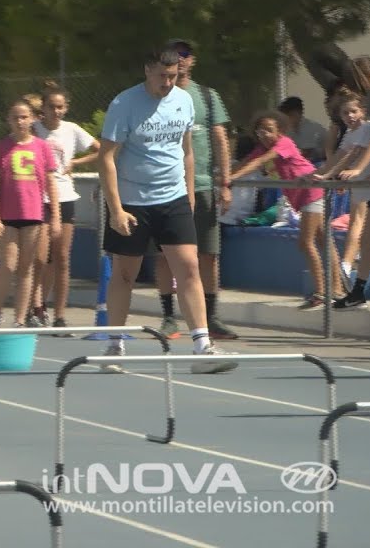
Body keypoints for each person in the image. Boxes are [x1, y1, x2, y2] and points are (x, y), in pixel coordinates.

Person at [97, 51, 237, 374]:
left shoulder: (184, 100)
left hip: (172, 199)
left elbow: (186, 150)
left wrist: (188, 196)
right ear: (148, 70)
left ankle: (202, 346)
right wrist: (116, 209)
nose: (167, 82)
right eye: (162, 76)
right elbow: (106, 158)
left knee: (189, 268)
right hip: (133, 201)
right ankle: (114, 345)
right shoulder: (124, 104)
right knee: (124, 273)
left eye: (173, 76)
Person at [153, 40, 236, 341]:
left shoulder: (207, 97)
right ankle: (167, 317)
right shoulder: (157, 94)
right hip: (165, 188)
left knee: (208, 254)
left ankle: (211, 318)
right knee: (165, 255)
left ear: (193, 60)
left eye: (185, 55)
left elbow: (220, 138)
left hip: (202, 187)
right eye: (175, 56)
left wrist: (224, 183)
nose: (181, 60)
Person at [231, 114, 341, 309]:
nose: (264, 135)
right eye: (260, 131)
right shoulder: (261, 148)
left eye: (268, 130)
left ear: (279, 131)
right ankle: (337, 288)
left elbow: (261, 161)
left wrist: (231, 179)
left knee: (305, 242)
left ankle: (322, 291)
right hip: (302, 196)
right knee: (323, 240)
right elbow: (248, 161)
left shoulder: (284, 143)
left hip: (311, 191)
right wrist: (229, 175)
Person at [318, 89, 370, 308]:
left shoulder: (366, 129)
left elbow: (352, 154)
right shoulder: (356, 132)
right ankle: (361, 292)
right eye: (345, 113)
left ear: (363, 112)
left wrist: (333, 174)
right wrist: (320, 174)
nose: (350, 116)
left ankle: (369, 289)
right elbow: (341, 153)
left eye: (353, 111)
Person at [31, 82, 98, 329]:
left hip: (65, 196)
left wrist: (76, 163)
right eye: (52, 107)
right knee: (39, 258)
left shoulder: (72, 129)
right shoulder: (34, 129)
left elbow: (100, 150)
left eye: (60, 107)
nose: (56, 111)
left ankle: (59, 315)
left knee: (61, 258)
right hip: (38, 199)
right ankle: (36, 307)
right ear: (44, 108)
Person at [0, 100, 60, 327]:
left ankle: (20, 318)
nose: (20, 122)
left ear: (32, 119)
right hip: (7, 216)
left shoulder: (42, 147)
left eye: (24, 117)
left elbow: (49, 183)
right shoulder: (1, 147)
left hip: (33, 215)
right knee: (7, 265)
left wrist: (55, 216)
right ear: (8, 120)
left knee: (27, 268)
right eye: (15, 117)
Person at [278, 97, 328, 163]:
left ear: (296, 114)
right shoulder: (289, 129)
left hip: (319, 162)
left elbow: (305, 153)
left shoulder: (311, 128)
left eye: (285, 117)